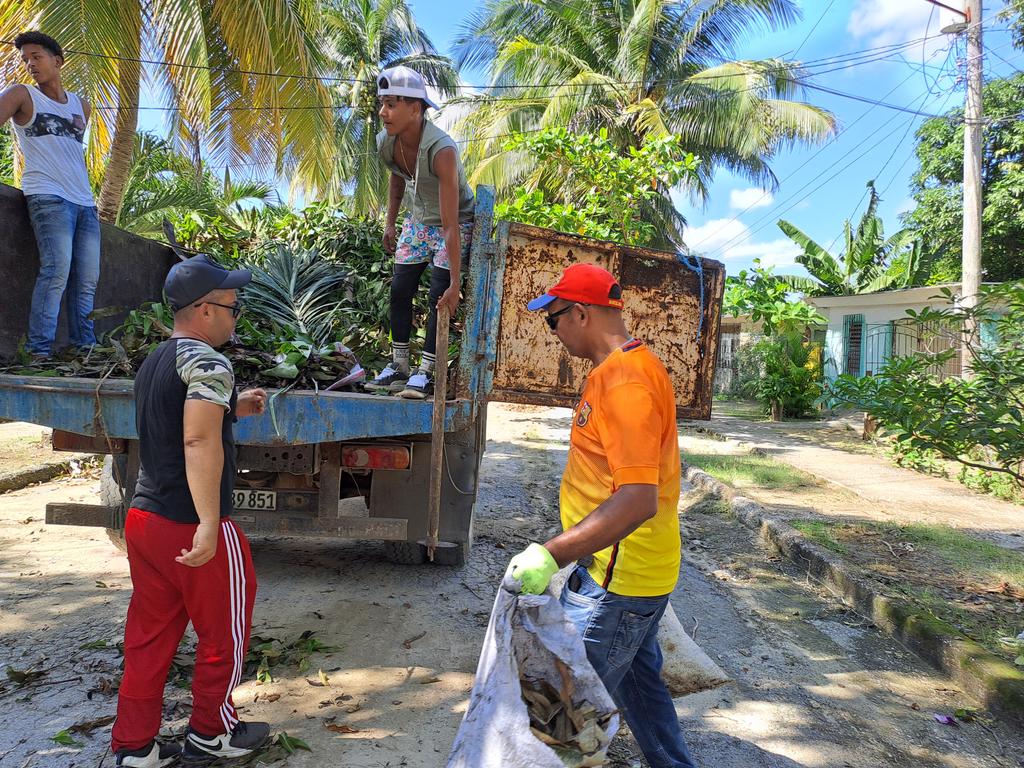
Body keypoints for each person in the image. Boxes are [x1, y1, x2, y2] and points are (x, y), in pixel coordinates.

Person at [506, 264, 697, 768]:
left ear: (582, 313)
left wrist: (551, 554)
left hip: (617, 582)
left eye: (554, 321)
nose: (554, 333)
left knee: (563, 721)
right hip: (628, 574)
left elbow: (637, 499)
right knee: (642, 691)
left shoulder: (626, 382)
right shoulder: (625, 370)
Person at [111, 255, 270, 767]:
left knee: (149, 637)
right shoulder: (207, 361)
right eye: (231, 306)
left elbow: (174, 418)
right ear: (203, 310)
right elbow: (197, 438)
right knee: (224, 633)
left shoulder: (157, 360)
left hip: (145, 518)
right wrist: (208, 525)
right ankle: (210, 733)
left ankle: (134, 746)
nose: (235, 315)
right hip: (189, 522)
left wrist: (234, 406)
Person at [363, 65, 475, 400]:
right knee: (400, 288)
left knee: (438, 294)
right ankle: (399, 366)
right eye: (382, 103)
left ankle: (426, 372)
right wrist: (390, 221)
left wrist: (455, 284)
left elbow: (451, 223)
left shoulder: (442, 151)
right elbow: (398, 175)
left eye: (392, 104)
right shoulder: (387, 141)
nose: (383, 112)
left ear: (416, 108)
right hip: (419, 219)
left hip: (456, 222)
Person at [0, 31, 100, 359]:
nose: (30, 64)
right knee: (56, 272)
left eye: (36, 57)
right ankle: (38, 352)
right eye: (25, 59)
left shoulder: (81, 106)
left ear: (57, 61)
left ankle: (85, 348)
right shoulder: (21, 95)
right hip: (48, 196)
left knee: (86, 281)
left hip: (85, 202)